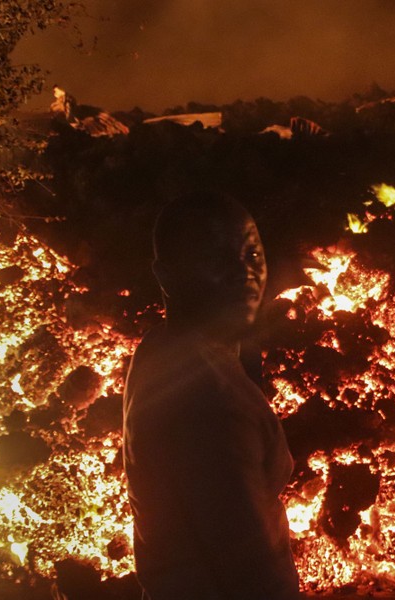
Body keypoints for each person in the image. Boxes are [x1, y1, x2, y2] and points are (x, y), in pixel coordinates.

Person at [123, 191, 300, 599]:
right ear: (167, 276)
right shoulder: (207, 397)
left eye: (252, 255)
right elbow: (250, 564)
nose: (244, 272)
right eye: (217, 258)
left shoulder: (163, 349)